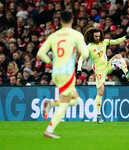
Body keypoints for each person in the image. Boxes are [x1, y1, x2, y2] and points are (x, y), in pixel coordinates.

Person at [37, 10, 88, 139]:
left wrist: (50, 62)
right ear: (72, 20)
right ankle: (49, 130)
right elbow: (86, 54)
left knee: (76, 100)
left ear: (60, 21)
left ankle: (51, 104)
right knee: (65, 104)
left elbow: (40, 54)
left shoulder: (54, 35)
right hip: (67, 73)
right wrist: (78, 56)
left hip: (56, 73)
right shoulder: (76, 35)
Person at [77, 27, 129, 123]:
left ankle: (127, 73)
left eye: (99, 35)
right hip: (99, 71)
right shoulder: (89, 47)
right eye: (96, 36)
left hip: (107, 66)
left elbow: (116, 41)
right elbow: (81, 58)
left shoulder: (104, 42)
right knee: (100, 92)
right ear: (92, 37)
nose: (98, 37)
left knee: (118, 56)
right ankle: (98, 115)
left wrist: (125, 38)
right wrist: (79, 69)